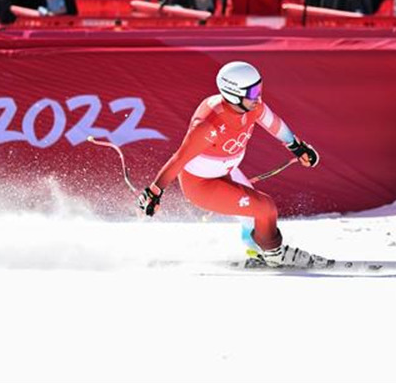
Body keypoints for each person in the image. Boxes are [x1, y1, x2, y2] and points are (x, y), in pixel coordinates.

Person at [137, 61, 324, 268]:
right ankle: (274, 255)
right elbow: (179, 158)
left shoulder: (252, 106)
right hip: (201, 185)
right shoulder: (209, 125)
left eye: (259, 88)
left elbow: (274, 124)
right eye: (253, 92)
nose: (258, 97)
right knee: (265, 209)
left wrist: (297, 147)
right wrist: (154, 191)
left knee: (256, 216)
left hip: (226, 171)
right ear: (233, 93)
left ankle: (258, 250)